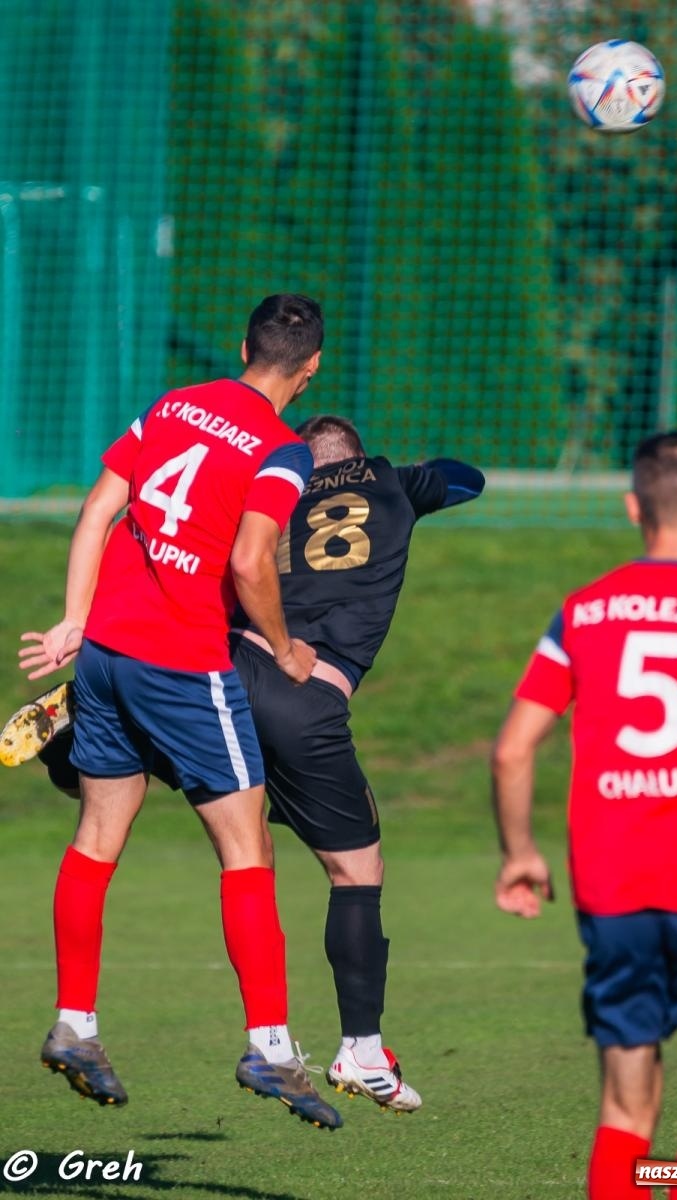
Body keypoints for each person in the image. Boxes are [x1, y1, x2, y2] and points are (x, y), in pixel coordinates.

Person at [6, 414, 485, 1113]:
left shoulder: (269, 491)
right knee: (354, 870)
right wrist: (403, 476)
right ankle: (361, 1050)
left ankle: (86, 740)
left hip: (224, 667)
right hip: (304, 698)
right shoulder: (394, 482)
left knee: (189, 782)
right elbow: (469, 477)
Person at [16, 293, 343, 1131]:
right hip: (185, 669)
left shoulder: (173, 404)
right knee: (247, 848)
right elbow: (249, 560)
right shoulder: (281, 450)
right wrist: (284, 645)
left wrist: (73, 620)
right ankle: (271, 1049)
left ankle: (76, 1025)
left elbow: (98, 509)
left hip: (106, 661)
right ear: (309, 372)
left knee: (95, 840)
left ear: (242, 345)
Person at [490, 431, 677, 1200]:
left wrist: (521, 852)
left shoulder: (583, 613)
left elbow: (510, 751)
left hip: (612, 885)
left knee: (626, 1112)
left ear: (633, 505)